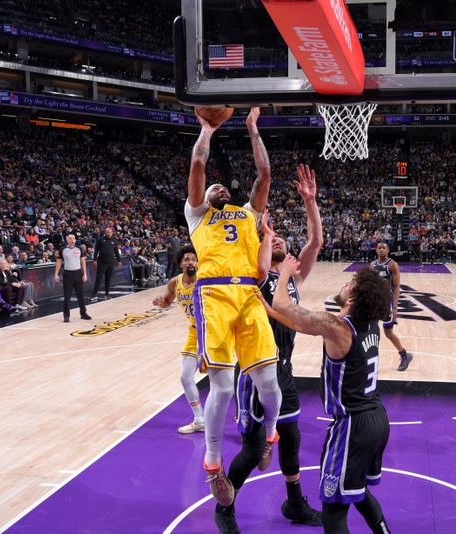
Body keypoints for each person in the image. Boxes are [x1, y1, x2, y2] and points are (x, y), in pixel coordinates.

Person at [216, 165, 323, 532]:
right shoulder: (256, 273)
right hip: (254, 368)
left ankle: (294, 503)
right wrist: (263, 235)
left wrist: (310, 202)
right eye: (273, 239)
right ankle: (225, 509)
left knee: (292, 438)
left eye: (281, 239)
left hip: (285, 370)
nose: (278, 241)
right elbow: (270, 295)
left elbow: (316, 243)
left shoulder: (291, 274)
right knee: (251, 449)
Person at [185, 106, 282, 508]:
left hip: (249, 295)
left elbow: (265, 175)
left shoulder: (247, 213)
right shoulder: (196, 216)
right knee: (223, 385)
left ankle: (270, 435)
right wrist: (207, 130)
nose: (220, 189)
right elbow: (197, 165)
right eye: (215, 189)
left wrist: (252, 128)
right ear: (203, 199)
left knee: (269, 383)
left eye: (225, 187)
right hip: (214, 297)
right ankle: (212, 463)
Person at [273, 257, 392, 534]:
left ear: (352, 300)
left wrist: (285, 274)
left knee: (333, 509)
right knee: (358, 491)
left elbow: (284, 305)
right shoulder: (369, 322)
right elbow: (299, 323)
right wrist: (267, 308)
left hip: (352, 426)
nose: (346, 283)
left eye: (350, 284)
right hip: (376, 418)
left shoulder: (338, 327)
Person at [152, 245, 207, 434]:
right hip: (194, 332)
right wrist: (161, 302)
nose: (190, 262)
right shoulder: (175, 283)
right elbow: (167, 302)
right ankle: (200, 419)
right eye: (186, 259)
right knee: (185, 376)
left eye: (193, 258)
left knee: (219, 378)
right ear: (180, 264)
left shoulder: (206, 277)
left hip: (213, 331)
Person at [371, 241, 413, 371]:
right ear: (376, 250)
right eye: (379, 248)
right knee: (370, 330)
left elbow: (396, 287)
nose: (382, 250)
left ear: (388, 250)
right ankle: (368, 358)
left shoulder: (392, 265)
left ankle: (404, 355)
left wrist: (395, 307)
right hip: (374, 303)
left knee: (388, 333)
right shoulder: (372, 265)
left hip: (386, 302)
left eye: (384, 248)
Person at [55, 234, 91, 323]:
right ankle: (66, 316)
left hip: (78, 273)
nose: (72, 240)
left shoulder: (79, 249)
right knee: (67, 296)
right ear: (67, 240)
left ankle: (83, 313)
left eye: (73, 238)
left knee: (80, 295)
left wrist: (85, 274)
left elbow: (83, 262)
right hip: (67, 274)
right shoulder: (63, 249)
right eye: (70, 238)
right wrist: (56, 274)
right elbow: (59, 262)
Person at [91, 226, 122, 301]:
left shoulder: (114, 240)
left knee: (108, 278)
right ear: (105, 233)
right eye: (107, 232)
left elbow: (116, 252)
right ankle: (94, 295)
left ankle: (107, 294)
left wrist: (119, 261)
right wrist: (94, 260)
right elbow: (96, 251)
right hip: (101, 262)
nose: (108, 233)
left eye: (110, 232)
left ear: (112, 233)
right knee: (99, 278)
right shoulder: (100, 240)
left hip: (111, 262)